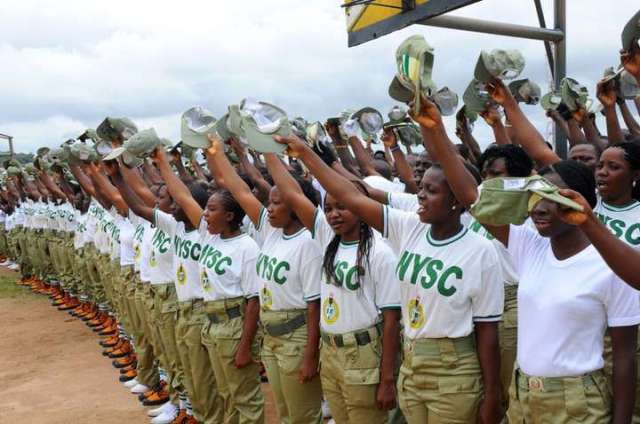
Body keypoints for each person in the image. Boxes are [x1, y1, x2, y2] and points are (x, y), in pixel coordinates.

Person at [414, 85, 640, 423]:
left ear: (581, 203)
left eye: (554, 198)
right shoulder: (530, 246)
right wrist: (436, 130)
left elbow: (624, 358)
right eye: (536, 196)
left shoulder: (612, 266)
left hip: (578, 404)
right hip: (523, 397)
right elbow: (471, 197)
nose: (540, 207)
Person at [274, 132, 504, 424]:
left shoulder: (481, 250)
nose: (420, 195)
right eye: (421, 188)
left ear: (457, 201)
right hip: (412, 363)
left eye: (431, 190)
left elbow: (487, 330)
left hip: (454, 369)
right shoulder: (410, 227)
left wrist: (492, 394)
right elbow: (351, 196)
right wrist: (306, 153)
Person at [262, 149, 401, 423]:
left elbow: (391, 321)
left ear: (362, 206)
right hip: (331, 353)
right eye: (328, 209)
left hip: (364, 355)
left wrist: (387, 379)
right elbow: (292, 193)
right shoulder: (327, 239)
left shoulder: (381, 253)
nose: (334, 215)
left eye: (342, 207)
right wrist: (266, 146)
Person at [206, 136, 324, 423]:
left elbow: (314, 306)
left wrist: (310, 356)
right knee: (285, 413)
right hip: (271, 335)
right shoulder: (271, 233)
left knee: (303, 417)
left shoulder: (308, 243)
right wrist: (217, 152)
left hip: (297, 335)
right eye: (269, 202)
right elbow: (239, 190)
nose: (268, 208)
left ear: (296, 205)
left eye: (277, 203)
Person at [153, 147, 265, 423]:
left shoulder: (247, 247)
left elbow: (254, 301)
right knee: (226, 394)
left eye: (212, 210)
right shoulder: (210, 236)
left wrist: (245, 346)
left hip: (234, 325)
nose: (204, 215)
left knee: (245, 399)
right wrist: (161, 161)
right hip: (211, 324)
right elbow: (182, 195)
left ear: (230, 216)